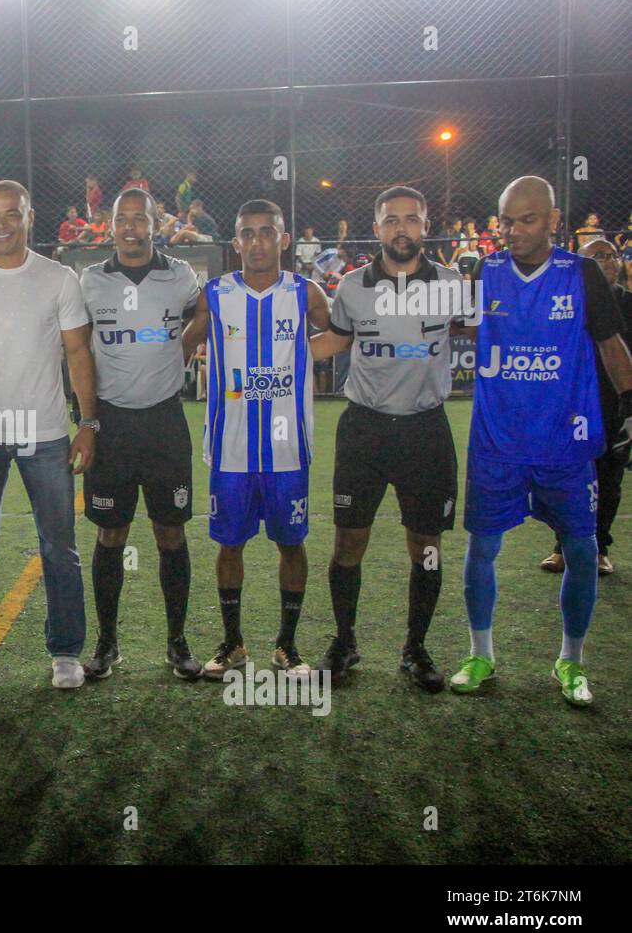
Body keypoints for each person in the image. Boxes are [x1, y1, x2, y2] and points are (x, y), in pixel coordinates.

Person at [452, 176, 632, 707]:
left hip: (565, 443)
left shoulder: (582, 275)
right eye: (505, 221)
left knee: (581, 550)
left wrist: (628, 406)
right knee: (482, 547)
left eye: (526, 220)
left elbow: (612, 345)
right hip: (497, 442)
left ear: (554, 220)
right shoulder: (487, 271)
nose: (512, 231)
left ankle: (570, 661)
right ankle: (479, 652)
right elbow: (463, 325)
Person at [307, 186, 466, 691]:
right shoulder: (353, 286)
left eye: (411, 220)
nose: (402, 229)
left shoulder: (451, 283)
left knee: (427, 546)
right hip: (365, 431)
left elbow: (491, 333)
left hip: (426, 431)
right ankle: (344, 640)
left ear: (424, 227)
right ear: (376, 229)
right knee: (348, 541)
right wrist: (269, 353)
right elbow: (336, 340)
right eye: (391, 220)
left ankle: (415, 648)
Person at [0, 180, 98, 689]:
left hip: (45, 431)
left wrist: (88, 423)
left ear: (29, 216)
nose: (1, 223)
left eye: (12, 213)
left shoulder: (58, 278)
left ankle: (66, 650)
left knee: (58, 544)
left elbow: (78, 353)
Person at [180, 199, 331, 680]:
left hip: (288, 451)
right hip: (231, 449)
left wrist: (304, 360)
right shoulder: (215, 295)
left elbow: (342, 335)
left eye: (268, 232)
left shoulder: (307, 294)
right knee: (230, 545)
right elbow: (183, 347)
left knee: (292, 544)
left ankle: (287, 646)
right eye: (248, 233)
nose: (258, 241)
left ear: (284, 239)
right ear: (236, 242)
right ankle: (233, 643)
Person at [77, 188, 202, 680]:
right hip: (112, 424)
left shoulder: (180, 275)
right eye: (122, 220)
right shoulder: (89, 281)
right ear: (111, 226)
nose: (130, 228)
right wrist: (84, 418)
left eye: (140, 220)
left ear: (156, 224)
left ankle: (177, 642)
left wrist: (183, 350)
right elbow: (75, 349)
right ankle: (107, 643)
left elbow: (204, 313)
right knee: (112, 532)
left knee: (170, 532)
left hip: (165, 422)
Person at [539, 238, 632, 576]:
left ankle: (600, 549)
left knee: (608, 475)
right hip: (569, 402)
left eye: (611, 255)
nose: (606, 262)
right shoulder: (563, 301)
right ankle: (562, 546)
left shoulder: (629, 303)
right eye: (597, 256)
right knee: (565, 475)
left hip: (613, 403)